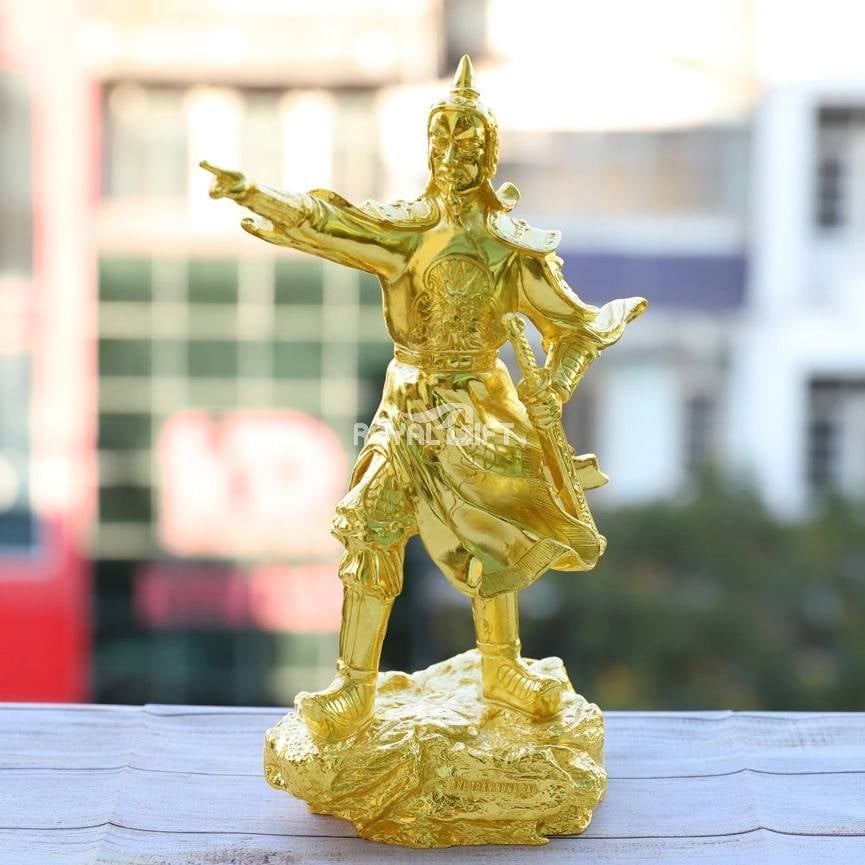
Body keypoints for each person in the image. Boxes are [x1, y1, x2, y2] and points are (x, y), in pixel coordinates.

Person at [202, 56, 646, 742]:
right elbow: (335, 221)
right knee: (370, 524)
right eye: (443, 137)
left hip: (480, 408)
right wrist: (257, 194)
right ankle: (355, 688)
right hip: (408, 404)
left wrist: (552, 388)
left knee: (495, 535)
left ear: (488, 155)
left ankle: (502, 668)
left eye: (469, 141)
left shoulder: (510, 249)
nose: (453, 152)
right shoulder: (409, 230)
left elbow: (577, 330)